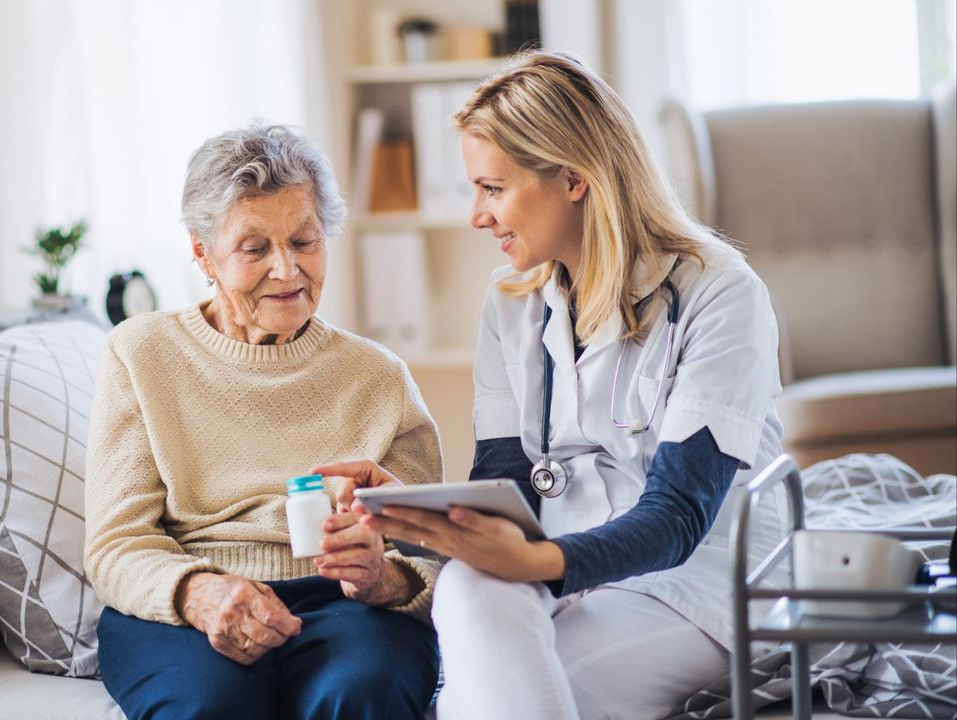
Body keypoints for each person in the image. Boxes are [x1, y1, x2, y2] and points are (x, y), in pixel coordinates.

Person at [315, 51, 787, 720]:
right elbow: (508, 487)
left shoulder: (720, 294)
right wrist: (413, 518)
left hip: (688, 586)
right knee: (469, 589)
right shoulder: (510, 300)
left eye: (493, 188)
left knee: (494, 695)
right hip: (556, 571)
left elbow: (678, 518)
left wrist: (534, 559)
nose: (478, 215)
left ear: (573, 178)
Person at [83, 124, 442, 720]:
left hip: (345, 604)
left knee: (364, 693)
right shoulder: (140, 354)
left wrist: (385, 579)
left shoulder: (379, 378)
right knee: (209, 706)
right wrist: (199, 593)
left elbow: (431, 552)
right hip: (190, 600)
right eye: (255, 250)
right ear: (202, 252)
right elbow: (117, 542)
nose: (287, 270)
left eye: (305, 241)